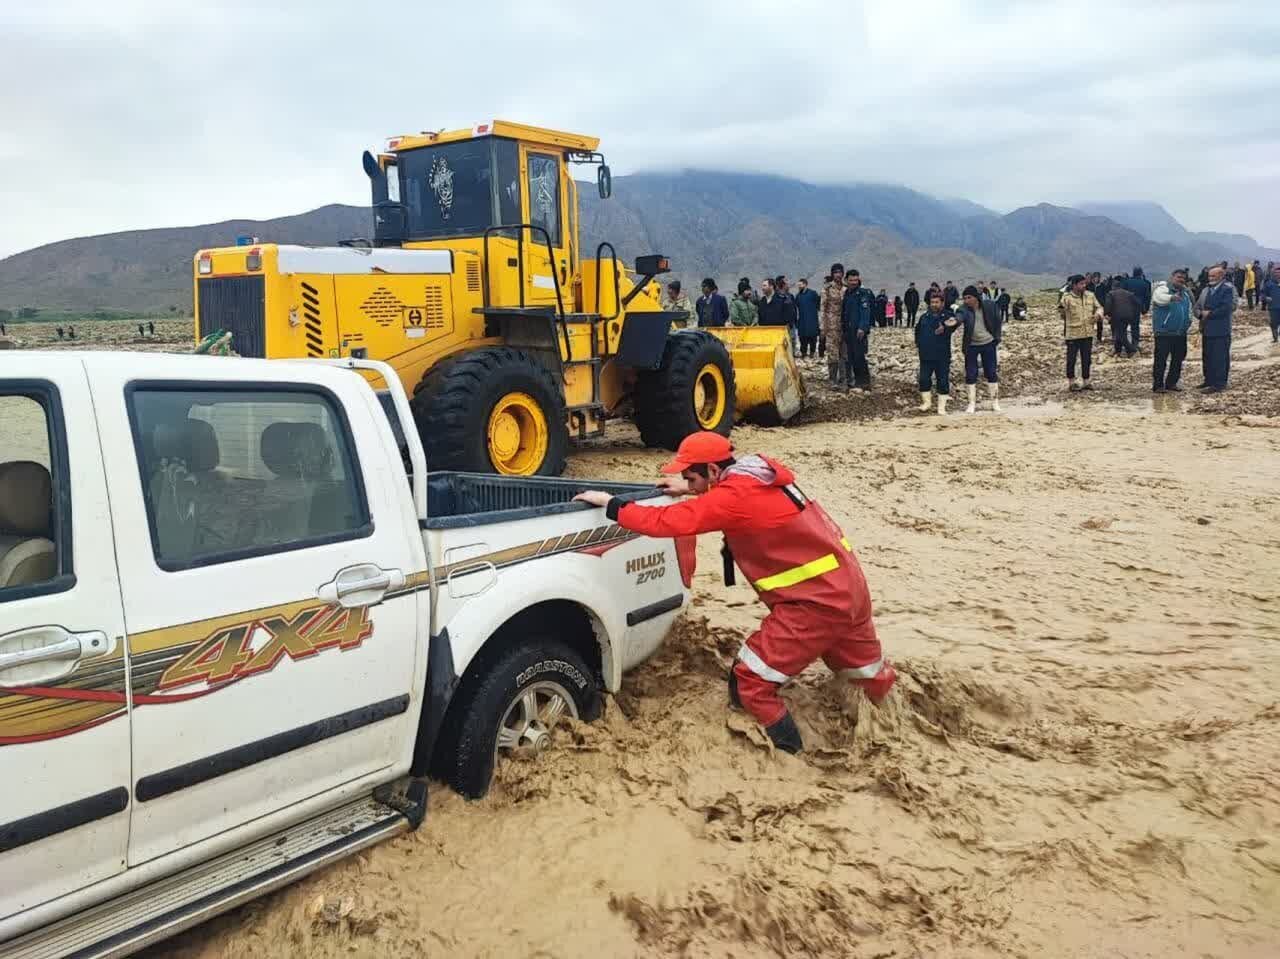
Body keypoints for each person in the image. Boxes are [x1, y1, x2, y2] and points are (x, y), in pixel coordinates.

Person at [573, 432, 897, 753]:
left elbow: (666, 521)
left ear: (714, 472)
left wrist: (610, 504)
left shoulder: (733, 498)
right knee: (864, 677)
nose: (688, 482)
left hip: (812, 607)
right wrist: (689, 489)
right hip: (849, 590)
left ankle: (788, 758)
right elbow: (729, 499)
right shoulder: (761, 475)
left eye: (691, 476)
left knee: (749, 683)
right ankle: (892, 733)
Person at [956, 285, 1003, 413]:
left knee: (991, 372)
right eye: (964, 298)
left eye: (969, 297)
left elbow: (998, 321)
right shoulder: (964, 309)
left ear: (976, 297)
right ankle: (971, 403)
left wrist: (997, 338)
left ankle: (995, 402)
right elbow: (959, 317)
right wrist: (953, 322)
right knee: (971, 374)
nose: (966, 300)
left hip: (988, 343)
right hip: (971, 345)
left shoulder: (989, 306)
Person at [916, 290, 960, 415]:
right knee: (924, 380)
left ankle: (941, 408)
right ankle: (926, 403)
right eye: (932, 302)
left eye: (936, 302)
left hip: (942, 355)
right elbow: (917, 332)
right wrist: (919, 345)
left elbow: (955, 323)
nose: (934, 304)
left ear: (942, 303)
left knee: (942, 381)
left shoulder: (947, 315)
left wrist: (945, 328)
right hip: (926, 355)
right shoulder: (924, 317)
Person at [1150, 268, 1194, 392]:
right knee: (1161, 360)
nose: (1181, 280)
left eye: (1183, 278)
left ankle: (1171, 383)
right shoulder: (1163, 288)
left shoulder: (1185, 293)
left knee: (1178, 359)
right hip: (1164, 332)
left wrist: (1188, 322)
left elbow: (1189, 309)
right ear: (1172, 277)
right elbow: (1158, 298)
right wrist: (1171, 298)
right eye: (1178, 277)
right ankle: (1158, 385)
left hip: (1180, 333)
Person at [1059, 274, 1103, 391]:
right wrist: (1063, 310)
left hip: (1087, 332)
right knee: (1071, 359)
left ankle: (1086, 381)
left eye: (1085, 283)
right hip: (1073, 333)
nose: (1084, 286)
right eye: (1081, 284)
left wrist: (1098, 315)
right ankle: (1072, 382)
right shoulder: (1067, 297)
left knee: (1086, 358)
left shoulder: (1090, 296)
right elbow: (1061, 310)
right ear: (1074, 285)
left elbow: (1099, 307)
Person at [1198, 265, 1235, 392]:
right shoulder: (1207, 290)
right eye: (1209, 276)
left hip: (1221, 330)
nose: (1210, 278)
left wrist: (1210, 314)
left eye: (1213, 276)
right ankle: (1208, 380)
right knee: (1207, 356)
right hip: (1207, 329)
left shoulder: (1227, 289)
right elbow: (1199, 306)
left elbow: (1227, 308)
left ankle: (1219, 384)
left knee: (1219, 357)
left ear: (1221, 276)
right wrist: (1200, 314)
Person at [842, 269, 875, 390]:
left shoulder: (862, 293)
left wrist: (862, 327)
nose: (853, 282)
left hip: (858, 331)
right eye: (851, 280)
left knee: (859, 356)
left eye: (856, 280)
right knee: (851, 356)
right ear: (846, 280)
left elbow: (865, 311)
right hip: (848, 330)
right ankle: (857, 381)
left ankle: (865, 382)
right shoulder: (847, 294)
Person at [820, 264, 847, 385]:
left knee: (844, 352)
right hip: (831, 326)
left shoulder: (846, 288)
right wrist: (822, 327)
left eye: (840, 272)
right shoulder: (827, 288)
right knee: (832, 353)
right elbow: (823, 308)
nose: (838, 274)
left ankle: (843, 378)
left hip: (845, 325)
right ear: (832, 274)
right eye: (836, 272)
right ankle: (832, 379)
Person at [1103, 282, 1139, 357]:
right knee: (1120, 332)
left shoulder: (1111, 293)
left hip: (1117, 316)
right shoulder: (1129, 293)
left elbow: (1108, 304)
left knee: (1121, 334)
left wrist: (1107, 314)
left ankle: (1131, 350)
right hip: (1129, 316)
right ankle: (1117, 349)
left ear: (1113, 286)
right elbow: (1137, 303)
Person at [1122, 267, 1152, 351]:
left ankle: (1123, 345)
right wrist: (1145, 309)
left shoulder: (1126, 282)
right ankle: (1134, 345)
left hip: (1125, 307)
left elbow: (1121, 294)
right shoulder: (1144, 283)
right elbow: (1147, 297)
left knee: (1123, 327)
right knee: (1135, 327)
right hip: (1137, 308)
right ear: (1141, 273)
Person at [794, 277, 821, 359]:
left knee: (813, 337)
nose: (799, 286)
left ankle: (812, 353)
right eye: (798, 285)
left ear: (805, 284)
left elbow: (818, 304)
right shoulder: (798, 296)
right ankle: (804, 354)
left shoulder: (813, 293)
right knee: (803, 338)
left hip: (812, 319)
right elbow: (797, 306)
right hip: (802, 320)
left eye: (800, 284)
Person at [1262, 264, 1280, 342]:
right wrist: (1266, 298)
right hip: (1273, 308)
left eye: (1279, 272)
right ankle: (1275, 339)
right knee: (1273, 324)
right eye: (1276, 272)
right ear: (1273, 273)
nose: (1278, 274)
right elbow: (1262, 294)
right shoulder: (1268, 283)